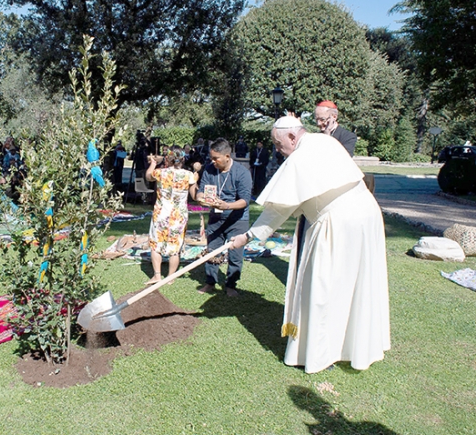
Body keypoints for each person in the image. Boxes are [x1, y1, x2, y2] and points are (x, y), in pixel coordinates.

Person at [229, 116, 390, 373]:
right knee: (355, 283)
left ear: (292, 137)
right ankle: (352, 348)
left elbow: (279, 209)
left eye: (278, 144)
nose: (277, 150)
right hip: (366, 215)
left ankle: (322, 354)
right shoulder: (325, 143)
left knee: (323, 287)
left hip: (337, 223)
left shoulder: (301, 157)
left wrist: (246, 237)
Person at [196, 138, 252, 297]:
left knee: (235, 255)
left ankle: (231, 285)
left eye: (216, 158)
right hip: (215, 218)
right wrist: (201, 197)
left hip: (237, 219)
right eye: (211, 158)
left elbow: (244, 201)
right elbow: (201, 190)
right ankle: (210, 282)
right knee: (212, 251)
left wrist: (227, 206)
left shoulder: (242, 173)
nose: (213, 162)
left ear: (227, 156)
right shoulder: (209, 169)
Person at [144, 148, 199, 285]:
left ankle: (157, 275)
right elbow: (194, 196)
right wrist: (196, 178)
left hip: (161, 213)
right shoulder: (189, 175)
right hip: (178, 215)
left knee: (156, 244)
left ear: (168, 159)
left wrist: (152, 163)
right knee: (175, 247)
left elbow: (148, 176)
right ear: (183, 160)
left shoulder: (161, 173)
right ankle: (170, 277)